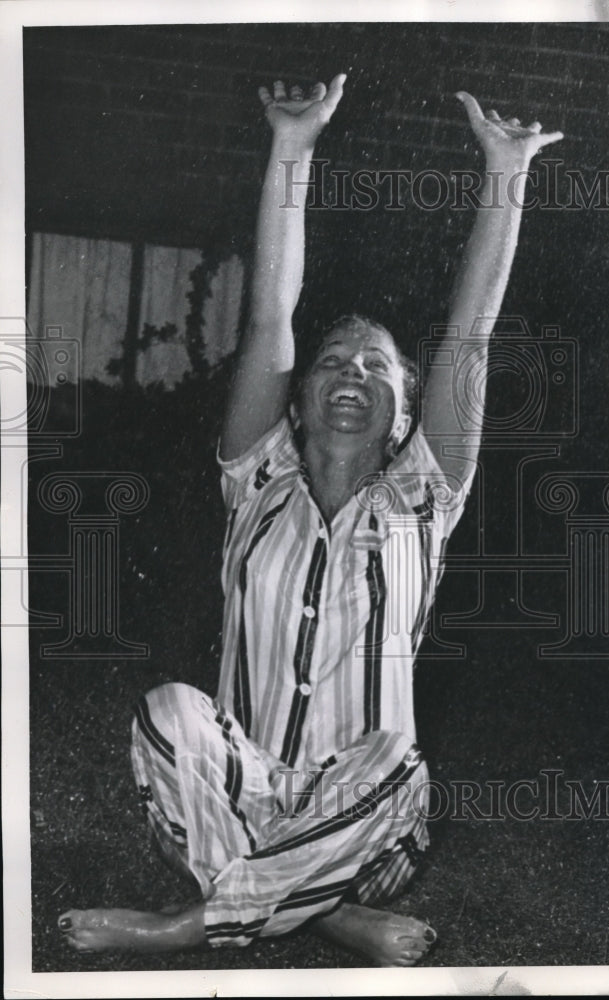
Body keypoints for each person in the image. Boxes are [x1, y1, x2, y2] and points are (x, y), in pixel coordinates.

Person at [58, 74, 562, 966]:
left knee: (397, 758)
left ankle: (193, 921)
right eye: (334, 361)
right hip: (242, 793)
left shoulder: (424, 495)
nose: (352, 374)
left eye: (376, 367)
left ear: (404, 414)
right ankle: (320, 915)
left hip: (363, 824)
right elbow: (268, 318)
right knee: (169, 711)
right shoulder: (257, 479)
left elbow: (472, 337)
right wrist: (292, 147)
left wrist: (507, 173)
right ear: (298, 401)